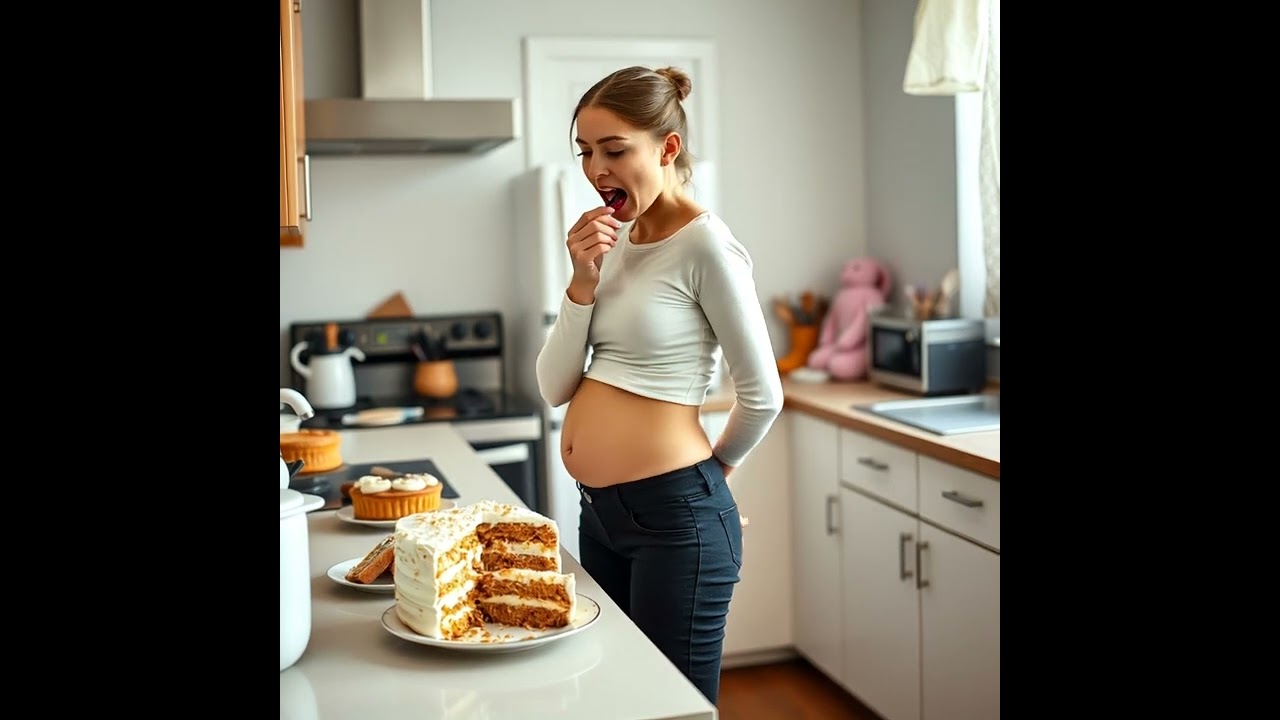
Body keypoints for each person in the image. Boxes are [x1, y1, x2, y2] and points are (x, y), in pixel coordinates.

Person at [535, 65, 783, 704]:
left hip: (678, 519)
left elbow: (763, 393)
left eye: (615, 150)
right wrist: (581, 281)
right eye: (586, 152)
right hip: (602, 514)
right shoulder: (611, 244)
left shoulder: (707, 245)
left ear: (667, 148)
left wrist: (711, 472)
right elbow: (553, 385)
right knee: (616, 696)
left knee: (671, 707)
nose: (596, 168)